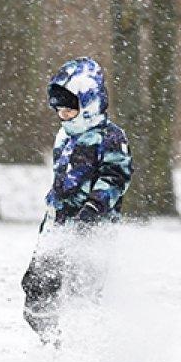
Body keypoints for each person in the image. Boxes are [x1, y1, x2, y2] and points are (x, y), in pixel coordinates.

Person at [21, 57, 133, 343]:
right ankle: (50, 339)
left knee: (82, 289)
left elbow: (116, 177)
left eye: (70, 109)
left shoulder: (110, 137)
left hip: (91, 225)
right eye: (59, 110)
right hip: (57, 225)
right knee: (37, 285)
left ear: (89, 103)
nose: (64, 115)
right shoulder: (64, 137)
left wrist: (93, 207)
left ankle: (85, 345)